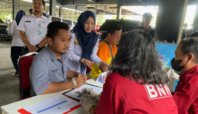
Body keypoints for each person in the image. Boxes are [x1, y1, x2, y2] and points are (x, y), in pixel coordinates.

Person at [79, 30, 178, 114]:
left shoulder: (116, 80)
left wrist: (90, 105)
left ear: (123, 51)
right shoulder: (158, 78)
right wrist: (101, 97)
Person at [30, 21, 87, 95]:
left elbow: (64, 72)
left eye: (68, 40)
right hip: (45, 100)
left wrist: (76, 74)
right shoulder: (41, 59)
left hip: (61, 94)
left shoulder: (63, 54)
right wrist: (71, 84)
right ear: (50, 41)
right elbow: (41, 89)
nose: (67, 44)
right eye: (63, 40)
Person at [170, 38, 198, 114]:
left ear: (188, 58)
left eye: (176, 55)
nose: (174, 59)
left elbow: (173, 109)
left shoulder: (191, 83)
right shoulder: (191, 77)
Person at [8, 10, 26, 76]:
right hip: (24, 44)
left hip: (15, 44)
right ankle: (23, 72)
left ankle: (18, 71)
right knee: (23, 59)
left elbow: (10, 32)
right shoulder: (26, 22)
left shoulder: (14, 22)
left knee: (14, 58)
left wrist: (14, 36)